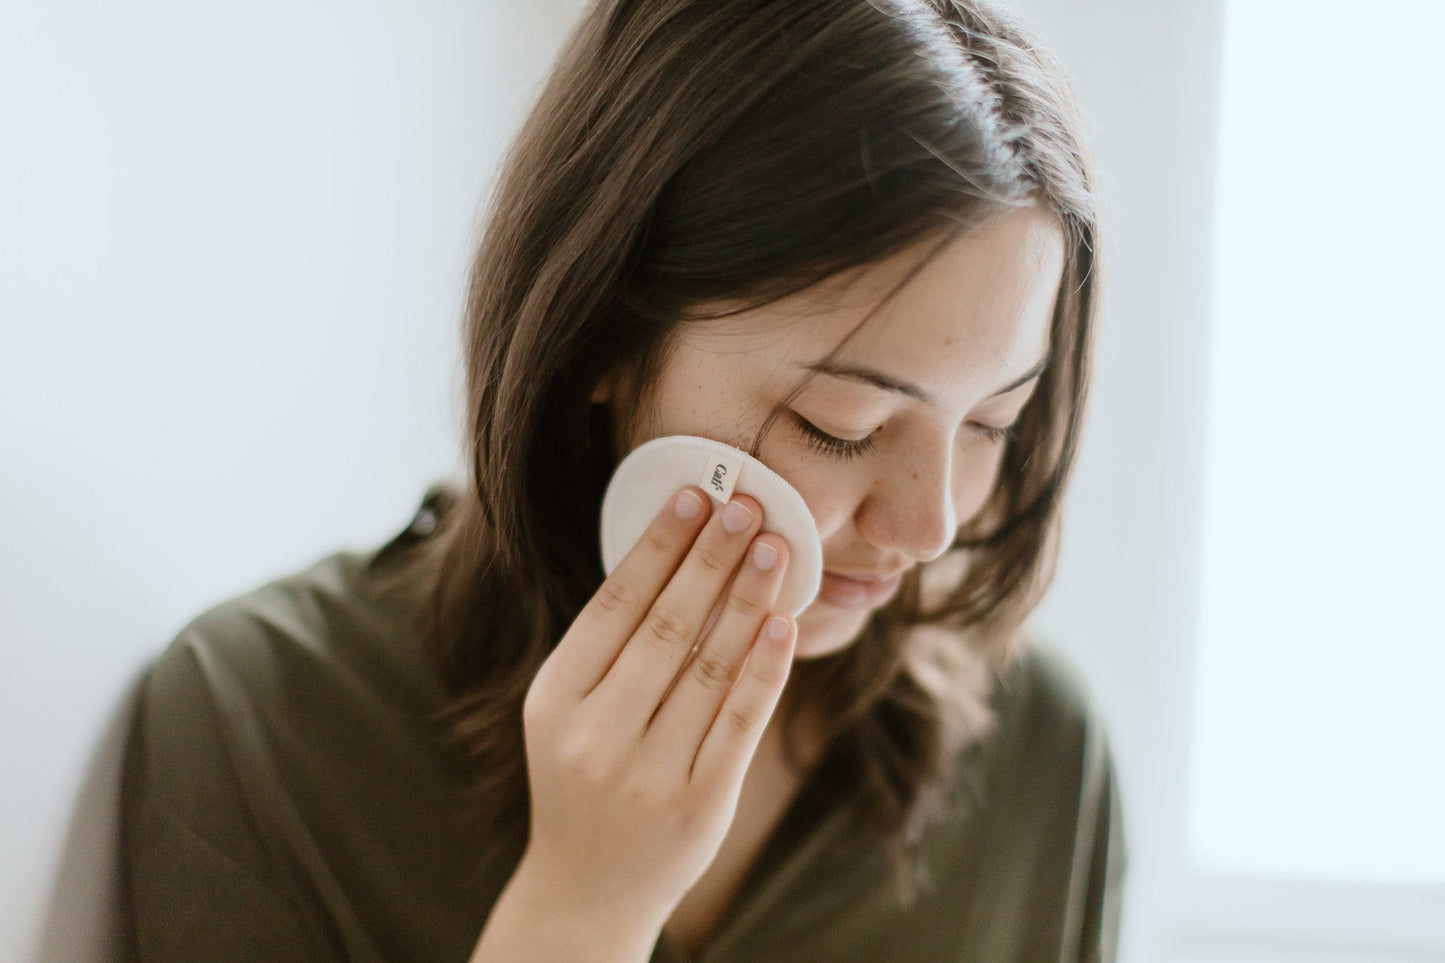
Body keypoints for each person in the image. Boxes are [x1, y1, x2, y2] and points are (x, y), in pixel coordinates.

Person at [119, 0, 1125, 960]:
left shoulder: (1039, 760)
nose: (928, 523)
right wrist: (582, 906)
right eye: (838, 427)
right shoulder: (261, 716)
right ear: (601, 333)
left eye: (992, 421)